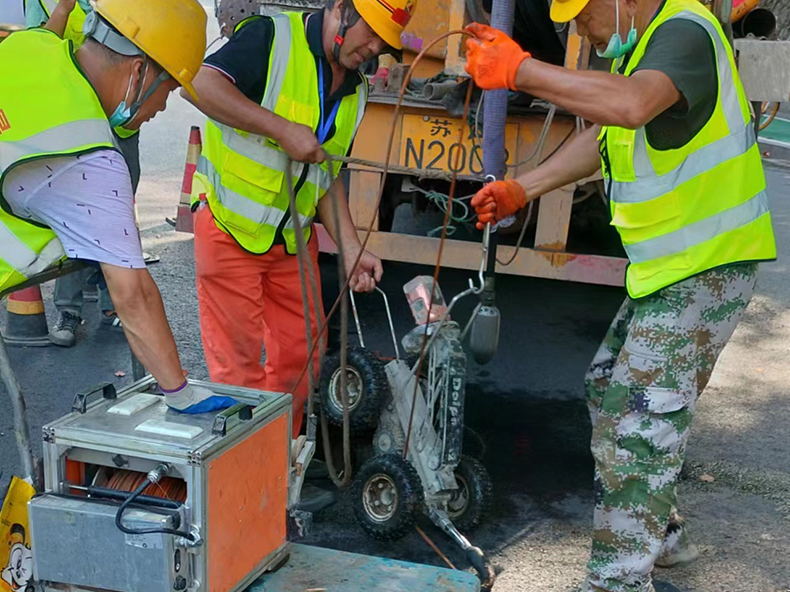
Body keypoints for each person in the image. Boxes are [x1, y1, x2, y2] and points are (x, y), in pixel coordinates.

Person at [463, 0, 776, 590]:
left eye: (584, 13)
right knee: (609, 387)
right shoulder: (646, 43)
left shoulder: (684, 31)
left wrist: (521, 71)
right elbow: (606, 135)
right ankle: (660, 534)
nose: (579, 27)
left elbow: (629, 107)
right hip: (673, 268)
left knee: (637, 423)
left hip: (708, 264)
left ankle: (617, 580)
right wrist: (519, 188)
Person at [182, 0, 416, 437]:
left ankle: (279, 459)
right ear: (342, 8)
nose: (375, 47)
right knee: (240, 374)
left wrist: (351, 249)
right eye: (371, 31)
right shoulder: (271, 39)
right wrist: (280, 129)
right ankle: (247, 478)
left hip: (291, 240)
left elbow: (326, 175)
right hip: (230, 229)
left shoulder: (357, 89)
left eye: (385, 41)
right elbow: (197, 84)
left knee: (300, 360)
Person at [0, 0, 233, 413]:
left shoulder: (31, 46)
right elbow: (134, 295)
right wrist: (180, 394)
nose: (162, 108)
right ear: (139, 69)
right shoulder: (89, 158)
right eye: (167, 88)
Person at [25, 0, 140, 346]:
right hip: (74, 118)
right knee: (77, 214)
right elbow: (39, 50)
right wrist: (63, 8)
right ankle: (69, 310)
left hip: (121, 121)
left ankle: (115, 305)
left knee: (117, 214)